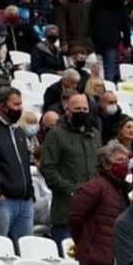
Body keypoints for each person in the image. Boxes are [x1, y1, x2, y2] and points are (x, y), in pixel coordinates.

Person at [69, 143, 131, 265]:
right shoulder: (95, 187)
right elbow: (75, 218)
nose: (124, 165)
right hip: (96, 258)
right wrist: (85, 243)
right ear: (106, 163)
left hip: (116, 258)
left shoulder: (120, 189)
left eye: (126, 161)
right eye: (119, 160)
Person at [41, 93, 101, 244]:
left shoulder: (95, 135)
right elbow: (48, 169)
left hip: (93, 213)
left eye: (85, 109)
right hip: (66, 212)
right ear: (67, 110)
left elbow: (100, 167)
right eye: (77, 108)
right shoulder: (56, 134)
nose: (82, 112)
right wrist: (72, 190)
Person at [0, 87, 34, 243]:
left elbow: (25, 164)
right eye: (16, 104)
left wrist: (30, 193)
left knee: (25, 250)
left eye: (20, 104)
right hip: (4, 202)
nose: (20, 108)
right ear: (2, 106)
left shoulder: (19, 131)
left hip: (25, 202)